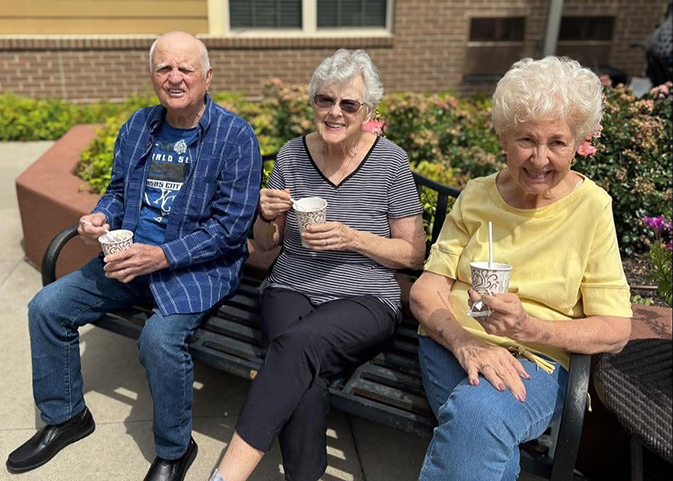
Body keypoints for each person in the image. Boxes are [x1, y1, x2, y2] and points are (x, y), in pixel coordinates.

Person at [6, 31, 262, 481]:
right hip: (126, 259)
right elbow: (119, 192)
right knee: (46, 307)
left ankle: (174, 449)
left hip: (195, 268)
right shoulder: (139, 126)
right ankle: (66, 416)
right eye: (165, 68)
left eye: (186, 69)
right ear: (152, 75)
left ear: (207, 77)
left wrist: (161, 256)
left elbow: (230, 228)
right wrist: (99, 218)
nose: (175, 78)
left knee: (159, 341)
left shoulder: (235, 137)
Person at [409, 56, 632, 481]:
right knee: (482, 428)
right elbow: (425, 291)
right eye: (526, 140)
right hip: (449, 345)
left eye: (557, 143)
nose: (540, 158)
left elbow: (616, 329)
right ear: (505, 137)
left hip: (539, 360)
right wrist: (463, 342)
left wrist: (529, 329)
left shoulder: (592, 207)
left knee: (476, 418)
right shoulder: (477, 195)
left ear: (579, 142)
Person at [209, 49, 426, 481]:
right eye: (325, 100)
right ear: (312, 102)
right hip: (290, 286)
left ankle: (224, 476)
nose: (335, 112)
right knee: (304, 373)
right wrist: (266, 215)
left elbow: (413, 253)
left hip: (364, 298)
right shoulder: (291, 156)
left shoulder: (391, 161)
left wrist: (353, 238)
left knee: (293, 348)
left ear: (369, 111)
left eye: (349, 104)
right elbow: (267, 246)